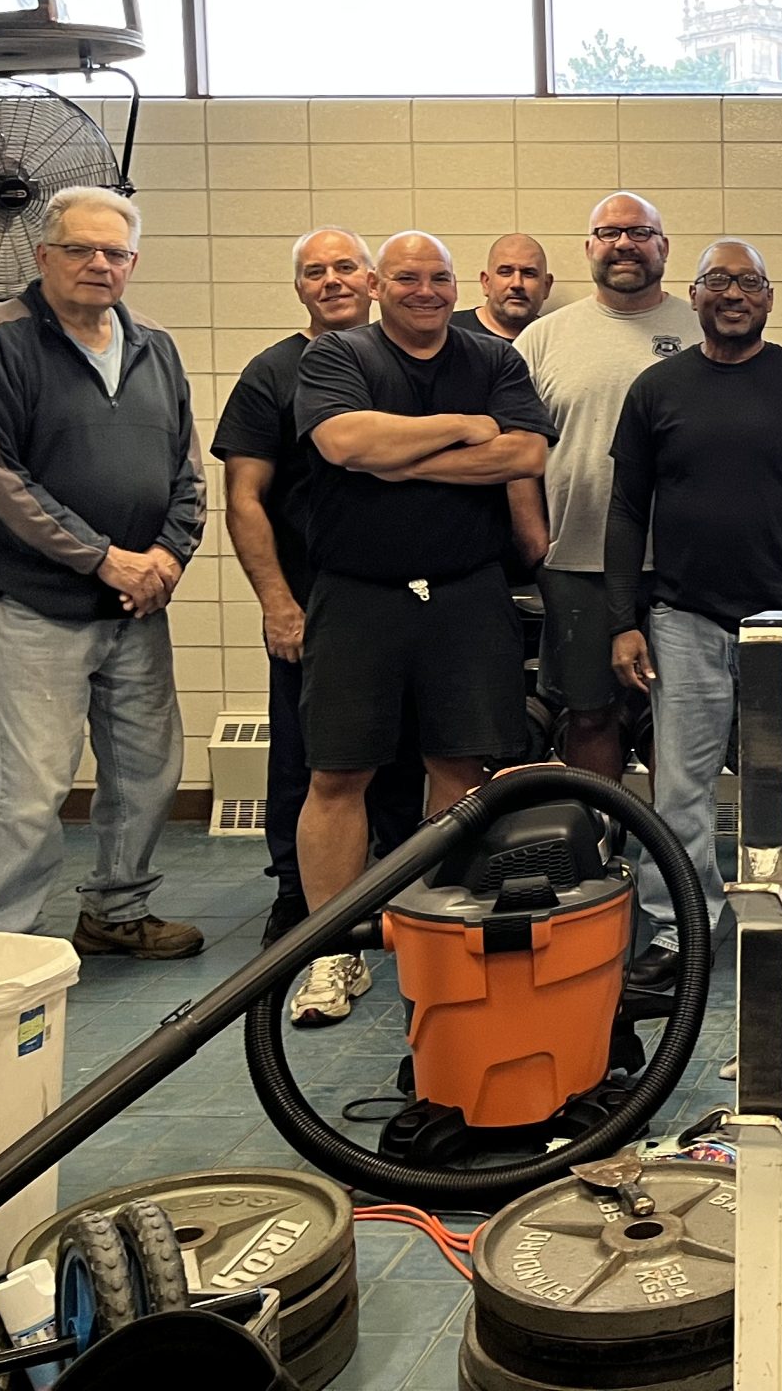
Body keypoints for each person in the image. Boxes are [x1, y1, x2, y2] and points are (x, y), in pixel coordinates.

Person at [290, 232, 554, 1025]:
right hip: (357, 593)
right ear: (377, 285)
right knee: (338, 774)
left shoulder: (495, 361)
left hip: (466, 592)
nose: (425, 291)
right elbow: (342, 441)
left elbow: (527, 454)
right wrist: (463, 427)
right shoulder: (338, 359)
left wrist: (396, 458)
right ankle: (331, 953)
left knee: (459, 766)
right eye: (407, 277)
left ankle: (434, 933)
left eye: (439, 278)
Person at [0, 186, 205, 956]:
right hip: (30, 608)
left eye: (114, 252)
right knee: (27, 798)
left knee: (147, 777)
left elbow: (186, 468)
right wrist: (103, 558)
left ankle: (115, 914)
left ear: (133, 263)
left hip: (136, 607)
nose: (99, 264)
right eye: (81, 250)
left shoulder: (154, 343)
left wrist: (166, 555)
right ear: (42, 256)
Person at [608, 239, 782, 1001]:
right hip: (684, 620)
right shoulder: (657, 389)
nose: (733, 294)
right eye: (718, 280)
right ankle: (676, 929)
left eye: (748, 281)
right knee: (681, 787)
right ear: (692, 296)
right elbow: (626, 511)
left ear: (769, 299)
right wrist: (625, 619)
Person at [213, 227, 422, 945]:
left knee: (399, 756)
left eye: (343, 267)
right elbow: (244, 497)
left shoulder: (409, 361)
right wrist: (277, 602)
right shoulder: (272, 373)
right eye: (312, 272)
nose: (330, 280)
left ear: (371, 281)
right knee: (310, 756)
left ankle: (397, 896)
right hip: (312, 603)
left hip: (404, 599)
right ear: (298, 289)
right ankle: (301, 903)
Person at [516, 194, 698, 1011]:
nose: (626, 245)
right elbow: (516, 447)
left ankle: (678, 881)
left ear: (665, 246)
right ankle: (599, 867)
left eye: (641, 233)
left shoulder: (702, 326)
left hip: (685, 566)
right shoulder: (544, 338)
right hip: (580, 561)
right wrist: (533, 536)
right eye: (611, 233)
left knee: (683, 731)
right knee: (588, 717)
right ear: (589, 245)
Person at [453, 232, 554, 341]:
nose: (517, 284)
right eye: (505, 272)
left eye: (528, 273)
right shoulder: (447, 333)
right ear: (486, 282)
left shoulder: (558, 341)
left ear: (546, 286)